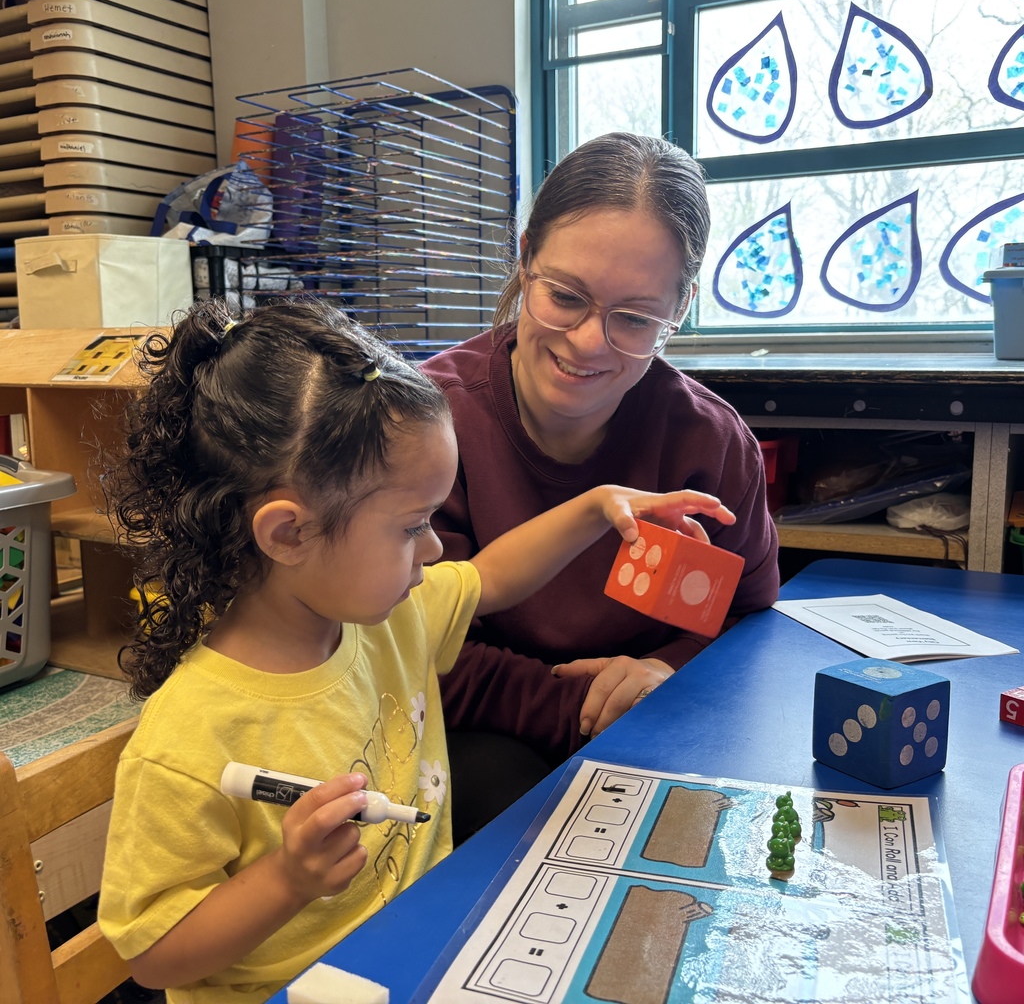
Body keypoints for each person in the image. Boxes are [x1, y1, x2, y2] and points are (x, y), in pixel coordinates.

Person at [96, 297, 736, 1004]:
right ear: (288, 535)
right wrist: (287, 880)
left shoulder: (384, 619)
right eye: (412, 526)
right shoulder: (187, 739)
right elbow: (153, 957)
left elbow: (491, 574)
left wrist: (596, 507)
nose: (435, 548)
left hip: (422, 956)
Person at [421, 132, 780, 840]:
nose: (588, 342)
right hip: (480, 738)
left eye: (636, 319)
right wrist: (589, 707)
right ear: (524, 258)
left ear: (680, 310)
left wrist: (667, 672)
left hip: (657, 731)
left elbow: (753, 624)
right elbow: (407, 641)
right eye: (565, 297)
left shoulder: (711, 443)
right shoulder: (424, 427)